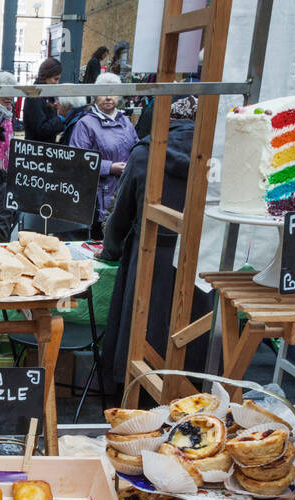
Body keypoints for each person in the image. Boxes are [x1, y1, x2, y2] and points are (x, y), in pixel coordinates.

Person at [101, 95, 209, 389]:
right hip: (202, 259)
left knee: (145, 332)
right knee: (192, 334)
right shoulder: (216, 153)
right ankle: (192, 392)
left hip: (149, 257)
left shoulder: (145, 153)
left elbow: (120, 216)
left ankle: (139, 390)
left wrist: (109, 251)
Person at [68, 72, 138, 233]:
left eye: (113, 92)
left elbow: (136, 150)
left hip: (123, 193)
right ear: (95, 96)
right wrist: (110, 167)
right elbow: (76, 162)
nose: (108, 97)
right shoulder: (85, 124)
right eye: (103, 92)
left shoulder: (125, 122)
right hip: (96, 200)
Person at [22, 56, 65, 142]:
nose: (57, 83)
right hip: (36, 149)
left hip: (42, 148)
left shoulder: (46, 94)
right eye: (55, 79)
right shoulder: (34, 96)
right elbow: (41, 129)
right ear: (47, 75)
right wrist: (61, 117)